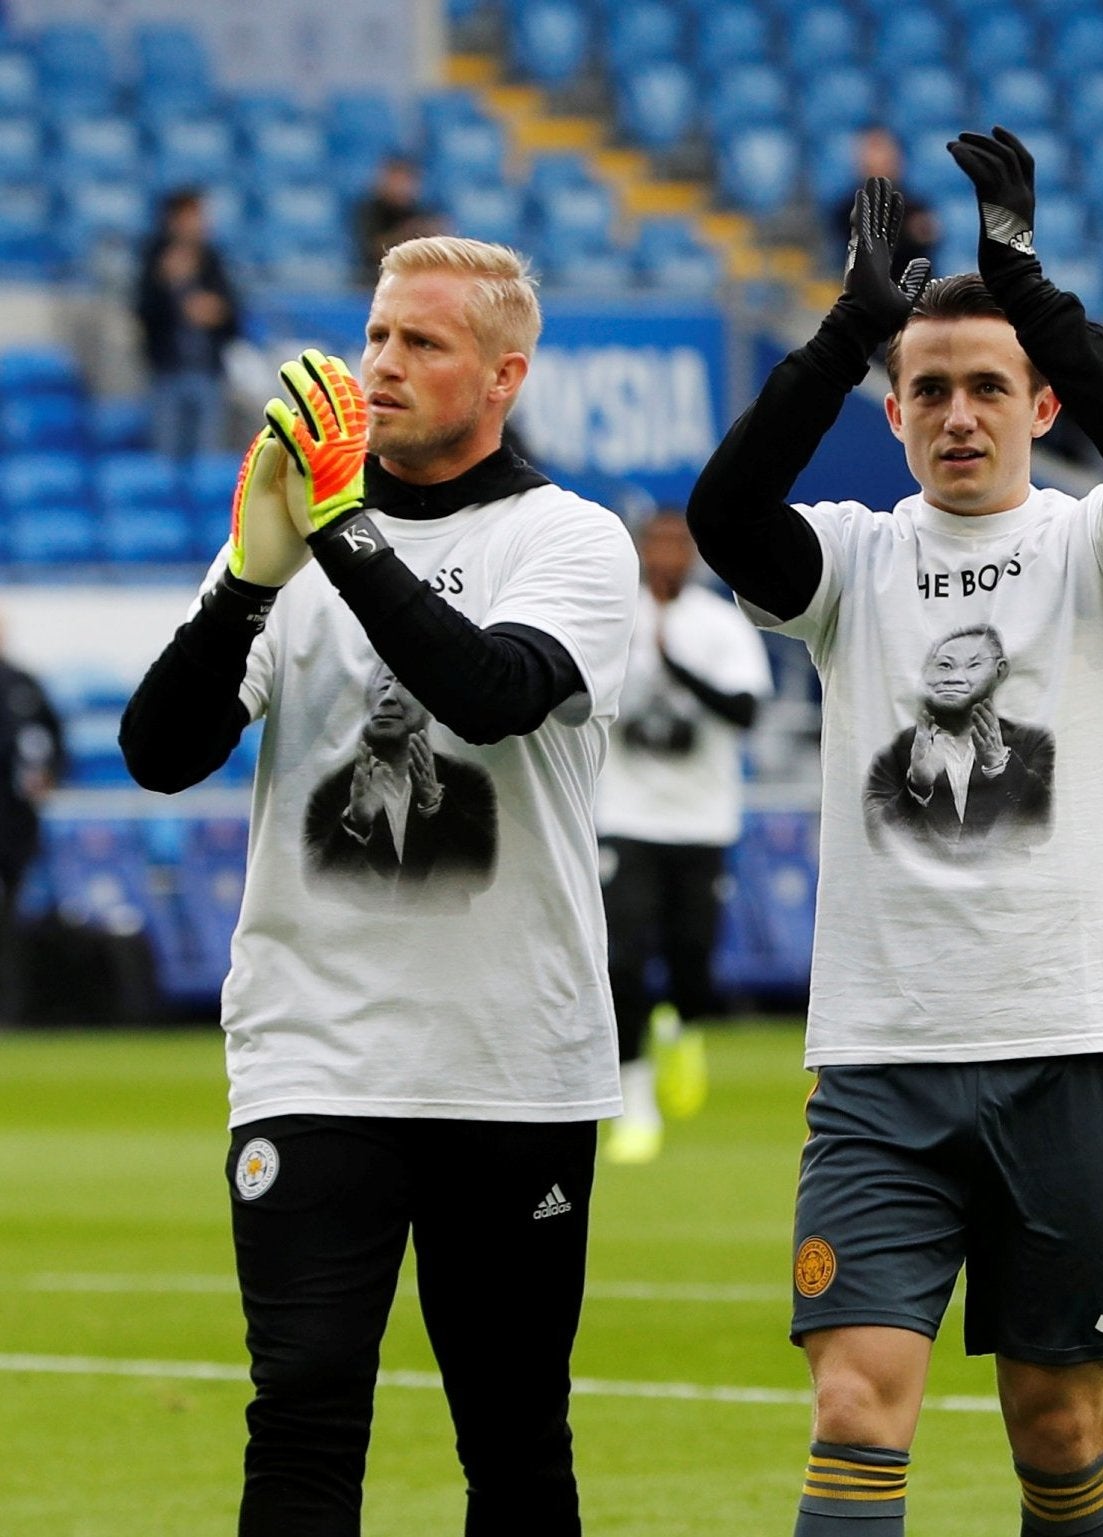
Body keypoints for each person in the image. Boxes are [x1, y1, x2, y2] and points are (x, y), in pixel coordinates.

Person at [688, 132, 1103, 1537]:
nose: (959, 414)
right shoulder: (851, 559)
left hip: (1070, 1048)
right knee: (855, 1408)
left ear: (1041, 404)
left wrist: (1030, 287)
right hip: (879, 1061)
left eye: (988, 387)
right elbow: (724, 513)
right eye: (929, 390)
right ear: (897, 410)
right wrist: (849, 326)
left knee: (1061, 1428)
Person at [119, 234, 637, 1535]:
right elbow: (159, 753)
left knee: (515, 1430)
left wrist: (338, 527)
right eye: (377, 336)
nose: (383, 365)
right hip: (314, 1052)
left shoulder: (569, 538)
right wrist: (246, 582)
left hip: (514, 1059)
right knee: (299, 1403)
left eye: (424, 343)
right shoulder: (291, 542)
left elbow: (491, 692)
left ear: (505, 374)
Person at [596, 508, 773, 1163]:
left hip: (701, 819)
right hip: (627, 816)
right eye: (657, 543)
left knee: (693, 954)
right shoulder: (616, 619)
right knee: (622, 957)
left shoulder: (718, 625)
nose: (667, 554)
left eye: (678, 544)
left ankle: (682, 1025)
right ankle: (634, 1103)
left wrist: (675, 665)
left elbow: (745, 708)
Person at [302, 662, 499, 903]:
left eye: (404, 684)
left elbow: (482, 874)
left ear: (432, 703)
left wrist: (437, 807)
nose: (388, 698)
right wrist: (355, 824)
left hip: (448, 933)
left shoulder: (467, 780)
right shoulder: (331, 790)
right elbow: (317, 887)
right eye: (383, 686)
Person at [863, 623, 1055, 853]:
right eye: (944, 665)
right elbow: (876, 839)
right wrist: (917, 787)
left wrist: (1000, 767)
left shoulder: (1034, 743)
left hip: (1011, 887)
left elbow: (1043, 826)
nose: (955, 677)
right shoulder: (894, 753)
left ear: (1001, 670)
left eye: (973, 665)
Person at [135, 187, 239, 459]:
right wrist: (171, 287)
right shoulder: (154, 257)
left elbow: (231, 311)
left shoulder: (212, 259)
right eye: (195, 215)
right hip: (168, 372)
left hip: (208, 371)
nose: (203, 222)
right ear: (176, 218)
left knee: (207, 455)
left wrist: (207, 309)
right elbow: (143, 311)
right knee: (165, 455)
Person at [0, 621, 63, 1022]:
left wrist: (50, 773)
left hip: (15, 826)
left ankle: (12, 1009)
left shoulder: (23, 685)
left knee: (10, 921)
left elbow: (55, 740)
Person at [822, 125, 939, 279]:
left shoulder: (916, 206)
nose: (875, 158)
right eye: (869, 150)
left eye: (881, 150)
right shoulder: (845, 207)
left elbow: (926, 241)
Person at [354, 154, 440, 285]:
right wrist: (408, 232)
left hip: (412, 280)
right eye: (397, 179)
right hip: (371, 280)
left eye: (407, 180)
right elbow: (373, 250)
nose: (401, 186)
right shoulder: (368, 210)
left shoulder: (420, 211)